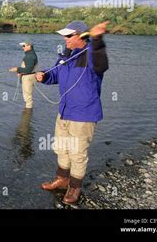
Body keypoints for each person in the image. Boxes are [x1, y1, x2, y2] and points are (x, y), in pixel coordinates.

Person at [35, 20, 109, 204]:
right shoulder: (65, 56)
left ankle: (74, 188)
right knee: (61, 148)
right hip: (64, 112)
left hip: (83, 115)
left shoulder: (91, 54)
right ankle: (62, 179)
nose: (64, 38)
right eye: (64, 35)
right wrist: (44, 76)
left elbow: (102, 65)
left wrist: (98, 39)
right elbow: (55, 74)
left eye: (68, 35)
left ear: (81, 36)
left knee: (77, 153)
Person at [9, 41, 38, 109]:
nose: (22, 47)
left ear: (29, 46)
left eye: (24, 46)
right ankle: (27, 114)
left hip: (28, 77)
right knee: (27, 97)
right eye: (22, 46)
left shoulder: (30, 56)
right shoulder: (30, 54)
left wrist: (17, 69)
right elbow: (27, 68)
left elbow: (28, 70)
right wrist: (21, 72)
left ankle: (27, 115)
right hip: (28, 76)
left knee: (28, 98)